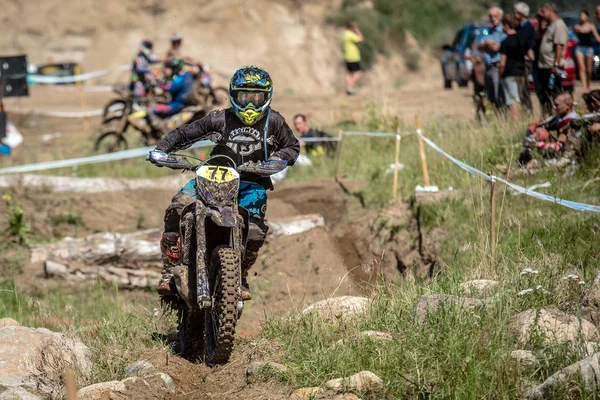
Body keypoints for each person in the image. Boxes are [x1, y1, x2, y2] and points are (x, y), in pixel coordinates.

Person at [148, 65, 300, 301]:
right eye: (244, 97)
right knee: (178, 205)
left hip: (251, 183)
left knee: (256, 230)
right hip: (212, 178)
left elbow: (292, 146)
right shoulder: (220, 118)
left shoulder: (275, 122)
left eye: (255, 97)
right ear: (233, 95)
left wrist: (279, 159)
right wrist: (162, 150)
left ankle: (240, 276)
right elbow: (187, 132)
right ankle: (170, 270)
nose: (249, 104)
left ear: (266, 96)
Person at [516, 92, 579, 172]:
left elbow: (559, 147)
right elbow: (537, 126)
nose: (554, 107)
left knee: (533, 164)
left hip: (565, 157)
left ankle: (517, 171)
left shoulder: (572, 122)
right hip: (557, 152)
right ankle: (518, 164)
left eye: (557, 105)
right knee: (537, 132)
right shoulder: (560, 117)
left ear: (568, 105)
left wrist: (537, 144)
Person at [537, 4, 569, 115]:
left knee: (555, 94)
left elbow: (559, 46)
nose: (541, 14)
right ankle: (547, 115)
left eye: (543, 11)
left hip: (552, 66)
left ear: (550, 11)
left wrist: (556, 64)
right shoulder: (549, 25)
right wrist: (539, 21)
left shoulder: (559, 25)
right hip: (544, 65)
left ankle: (559, 116)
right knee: (544, 94)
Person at [147, 58, 194, 131]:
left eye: (169, 68)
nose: (167, 70)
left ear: (174, 68)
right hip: (183, 103)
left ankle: (158, 130)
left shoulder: (179, 79)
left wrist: (157, 83)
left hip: (176, 105)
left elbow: (169, 88)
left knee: (150, 110)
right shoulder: (187, 75)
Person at [499, 14, 529, 120]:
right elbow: (528, 55)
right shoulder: (521, 40)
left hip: (509, 74)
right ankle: (520, 119)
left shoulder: (505, 42)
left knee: (512, 100)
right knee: (519, 98)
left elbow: (502, 62)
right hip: (521, 73)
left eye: (503, 25)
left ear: (507, 25)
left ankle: (515, 123)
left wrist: (500, 74)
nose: (502, 28)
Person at [478, 7, 508, 110]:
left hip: (497, 66)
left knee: (498, 96)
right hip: (488, 67)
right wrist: (488, 43)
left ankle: (503, 118)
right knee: (490, 98)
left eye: (495, 16)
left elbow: (496, 48)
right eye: (490, 16)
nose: (492, 18)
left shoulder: (503, 30)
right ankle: (495, 119)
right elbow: (479, 46)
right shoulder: (488, 31)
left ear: (501, 17)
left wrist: (488, 44)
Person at [514, 2, 536, 111]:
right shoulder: (518, 27)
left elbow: (529, 46)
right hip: (517, 61)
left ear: (521, 13)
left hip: (524, 62)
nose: (514, 14)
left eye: (515, 12)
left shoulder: (528, 28)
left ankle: (527, 111)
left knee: (524, 89)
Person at [574, 10, 600, 93]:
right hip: (580, 48)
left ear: (587, 17)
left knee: (589, 70)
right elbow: (575, 37)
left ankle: (588, 85)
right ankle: (584, 87)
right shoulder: (577, 26)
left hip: (589, 48)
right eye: (581, 15)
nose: (582, 17)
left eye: (584, 15)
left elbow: (597, 38)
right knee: (582, 68)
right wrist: (577, 31)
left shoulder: (591, 26)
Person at [343, 22, 364, 95]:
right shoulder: (350, 35)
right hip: (353, 56)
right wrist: (358, 31)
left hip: (347, 56)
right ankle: (350, 86)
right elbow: (361, 40)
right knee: (359, 72)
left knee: (349, 72)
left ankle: (349, 87)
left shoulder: (344, 34)